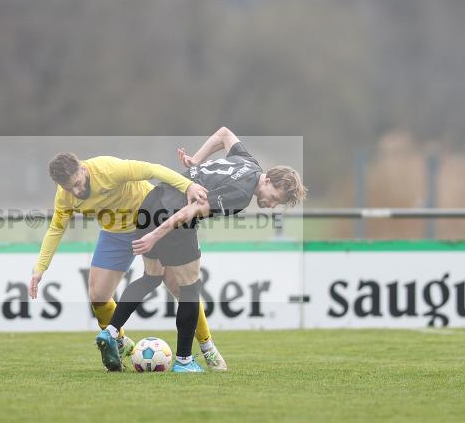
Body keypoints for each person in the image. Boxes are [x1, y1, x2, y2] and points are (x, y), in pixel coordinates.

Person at [95, 127, 307, 373]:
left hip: (152, 200)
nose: (272, 205)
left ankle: (111, 332)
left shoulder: (248, 161)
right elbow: (194, 209)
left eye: (277, 204)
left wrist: (196, 160)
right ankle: (184, 361)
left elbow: (224, 133)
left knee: (152, 277)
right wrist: (155, 235)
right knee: (190, 289)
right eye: (275, 197)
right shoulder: (241, 194)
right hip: (174, 218)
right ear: (269, 180)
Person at [29, 152, 230, 371]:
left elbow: (153, 169)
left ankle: (207, 347)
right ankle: (120, 343)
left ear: (83, 169)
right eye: (69, 188)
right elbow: (57, 228)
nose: (76, 192)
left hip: (150, 222)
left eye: (77, 183)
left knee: (180, 288)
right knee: (98, 296)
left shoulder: (108, 169)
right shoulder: (65, 196)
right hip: (115, 233)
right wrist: (40, 268)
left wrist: (188, 186)